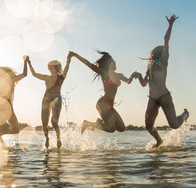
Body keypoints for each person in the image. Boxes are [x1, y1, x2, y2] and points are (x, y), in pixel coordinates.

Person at [133, 14, 189, 147]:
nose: (162, 50)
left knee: (174, 125)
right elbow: (143, 84)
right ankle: (159, 140)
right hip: (152, 99)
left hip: (164, 96)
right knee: (148, 126)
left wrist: (170, 25)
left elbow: (166, 40)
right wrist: (139, 76)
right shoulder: (149, 67)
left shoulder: (163, 62)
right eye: (160, 50)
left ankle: (185, 114)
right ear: (154, 53)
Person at [69, 50, 136, 134]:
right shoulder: (105, 74)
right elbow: (89, 65)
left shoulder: (119, 75)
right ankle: (87, 124)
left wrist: (132, 76)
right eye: (112, 61)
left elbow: (128, 81)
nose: (114, 63)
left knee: (121, 128)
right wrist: (76, 55)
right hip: (103, 103)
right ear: (109, 64)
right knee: (111, 128)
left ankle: (99, 122)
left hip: (110, 105)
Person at [27, 52, 72, 149]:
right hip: (46, 99)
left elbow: (67, 68)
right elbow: (34, 74)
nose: (50, 70)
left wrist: (69, 60)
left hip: (57, 99)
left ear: (55, 68)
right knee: (44, 123)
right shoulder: (47, 78)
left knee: (54, 122)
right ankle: (47, 138)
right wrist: (29, 63)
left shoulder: (61, 77)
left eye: (52, 68)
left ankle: (58, 138)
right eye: (49, 68)